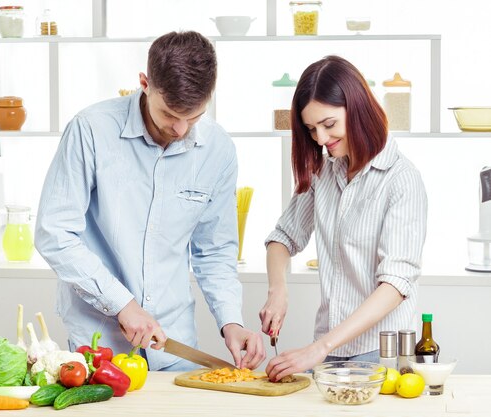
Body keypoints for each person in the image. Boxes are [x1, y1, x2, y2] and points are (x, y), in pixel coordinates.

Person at [35, 31, 265, 371]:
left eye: (195, 116)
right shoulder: (91, 130)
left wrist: (230, 321)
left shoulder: (218, 149)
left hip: (174, 341)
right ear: (144, 83)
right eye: (170, 114)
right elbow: (54, 233)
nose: (182, 129)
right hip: (100, 340)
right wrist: (122, 305)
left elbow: (214, 250)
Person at [259, 55, 427, 381]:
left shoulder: (401, 179)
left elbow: (395, 284)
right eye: (311, 129)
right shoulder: (324, 172)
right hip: (329, 351)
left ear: (358, 108)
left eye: (329, 124)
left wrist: (319, 348)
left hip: (382, 354)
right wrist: (277, 290)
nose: (320, 139)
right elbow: (282, 237)